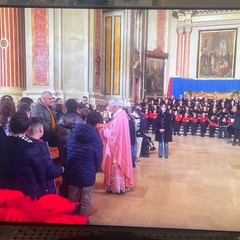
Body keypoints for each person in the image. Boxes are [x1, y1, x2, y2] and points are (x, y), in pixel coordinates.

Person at [66, 110, 103, 216]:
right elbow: (98, 157)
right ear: (97, 124)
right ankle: (83, 222)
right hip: (88, 170)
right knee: (86, 199)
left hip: (72, 169)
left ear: (86, 119)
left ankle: (70, 220)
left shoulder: (74, 132)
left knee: (72, 197)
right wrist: (95, 169)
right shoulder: (96, 137)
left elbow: (68, 149)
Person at [5, 112, 48, 199]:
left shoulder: (3, 143)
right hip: (26, 191)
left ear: (9, 127)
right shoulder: (32, 147)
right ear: (28, 128)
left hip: (5, 190)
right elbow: (40, 172)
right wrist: (43, 189)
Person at [100, 99, 134, 194]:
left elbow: (113, 134)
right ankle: (117, 186)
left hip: (117, 147)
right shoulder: (121, 116)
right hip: (120, 146)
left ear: (115, 106)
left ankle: (117, 187)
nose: (109, 109)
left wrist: (103, 130)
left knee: (117, 166)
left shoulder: (119, 118)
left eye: (110, 107)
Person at [27, 117, 64, 194]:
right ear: (41, 130)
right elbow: (49, 171)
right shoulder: (41, 146)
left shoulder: (23, 143)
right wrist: (61, 169)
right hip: (41, 188)